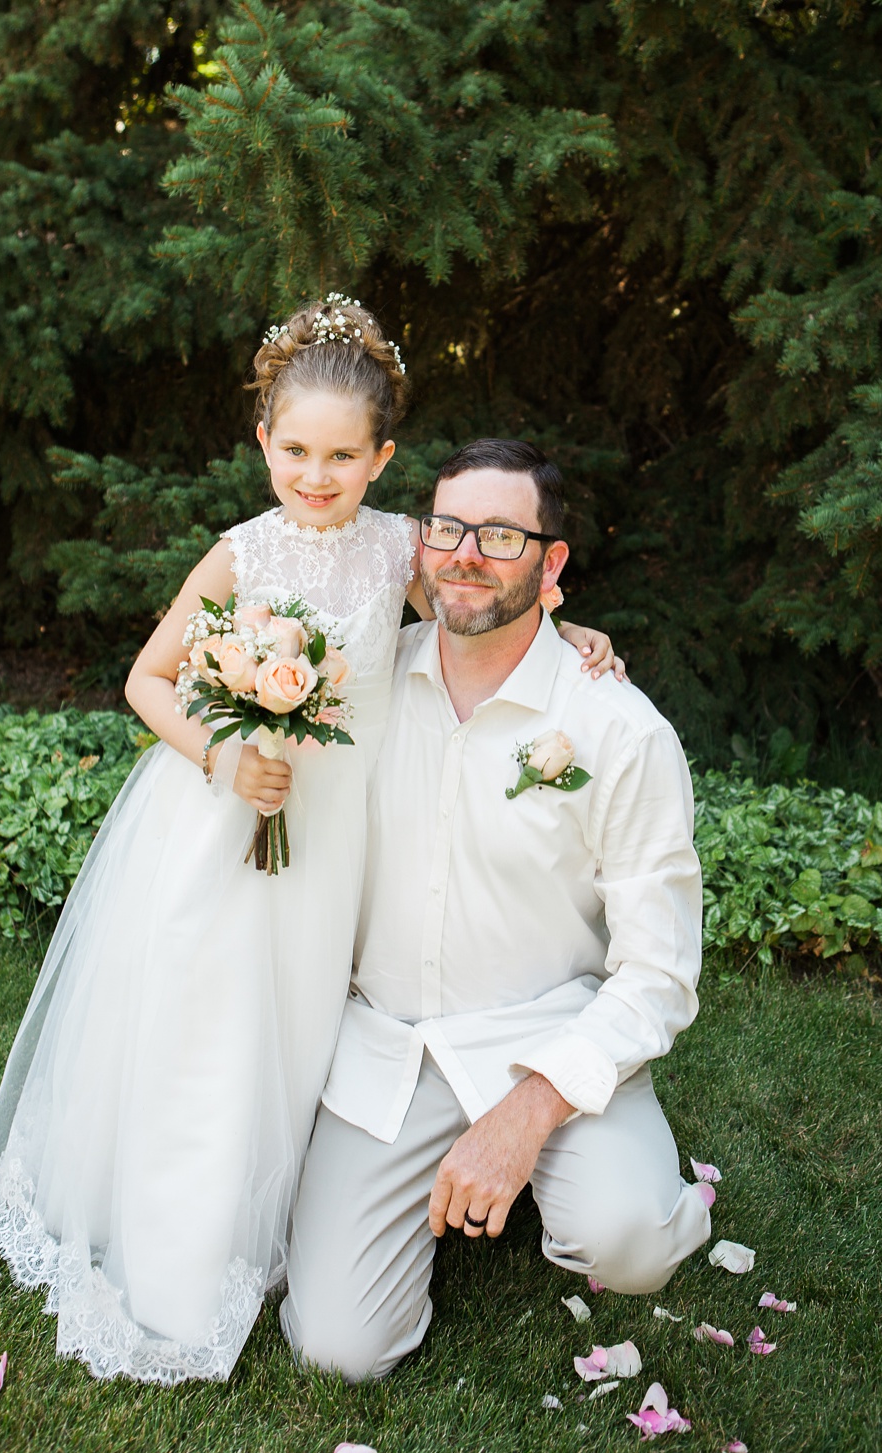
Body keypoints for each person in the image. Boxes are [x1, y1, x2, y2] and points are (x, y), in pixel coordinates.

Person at [0, 296, 623, 1383]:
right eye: (294, 450)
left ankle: (298, 1214)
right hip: (227, 820)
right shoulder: (242, 552)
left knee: (302, 1021)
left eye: (340, 455)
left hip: (340, 836)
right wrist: (225, 757)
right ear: (262, 443)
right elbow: (147, 677)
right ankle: (183, 1242)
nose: (314, 475)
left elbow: (482, 613)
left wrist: (571, 632)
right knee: (213, 1017)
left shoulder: (392, 551)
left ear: (381, 458)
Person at [281, 438, 711, 1380]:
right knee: (340, 1352)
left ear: (553, 562)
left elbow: (660, 971)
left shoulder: (619, 729)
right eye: (447, 528)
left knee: (628, 1243)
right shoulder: (351, 682)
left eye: (502, 534)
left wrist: (529, 1112)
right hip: (389, 1047)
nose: (466, 552)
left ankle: (604, 1167)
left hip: (546, 1034)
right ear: (420, 544)